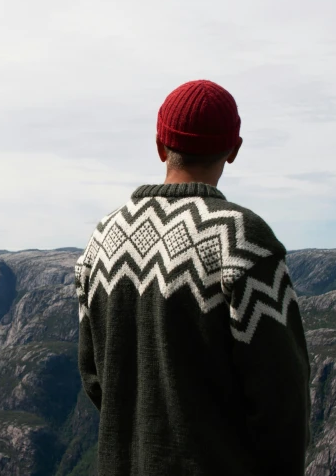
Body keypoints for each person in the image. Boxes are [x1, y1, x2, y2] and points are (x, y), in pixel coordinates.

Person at [75, 79, 311, 476]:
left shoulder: (102, 238)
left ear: (160, 145)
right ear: (234, 150)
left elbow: (95, 377)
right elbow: (281, 397)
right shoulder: (241, 239)